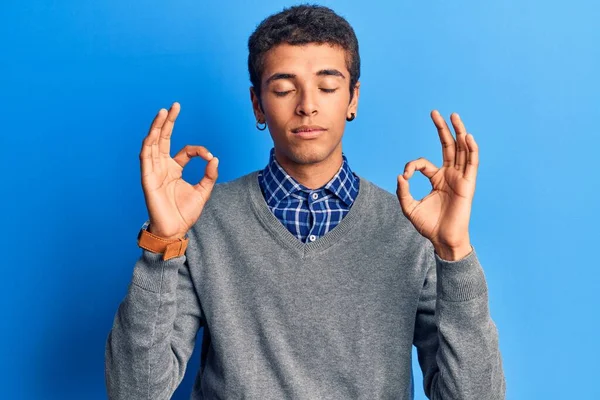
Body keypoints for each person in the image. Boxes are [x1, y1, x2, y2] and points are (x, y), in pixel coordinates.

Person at [105, 4, 506, 399]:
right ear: (258, 104)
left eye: (328, 87)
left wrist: (454, 252)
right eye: (283, 88)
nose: (307, 105)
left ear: (353, 98)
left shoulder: (413, 228)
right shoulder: (203, 222)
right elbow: (134, 391)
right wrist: (162, 242)